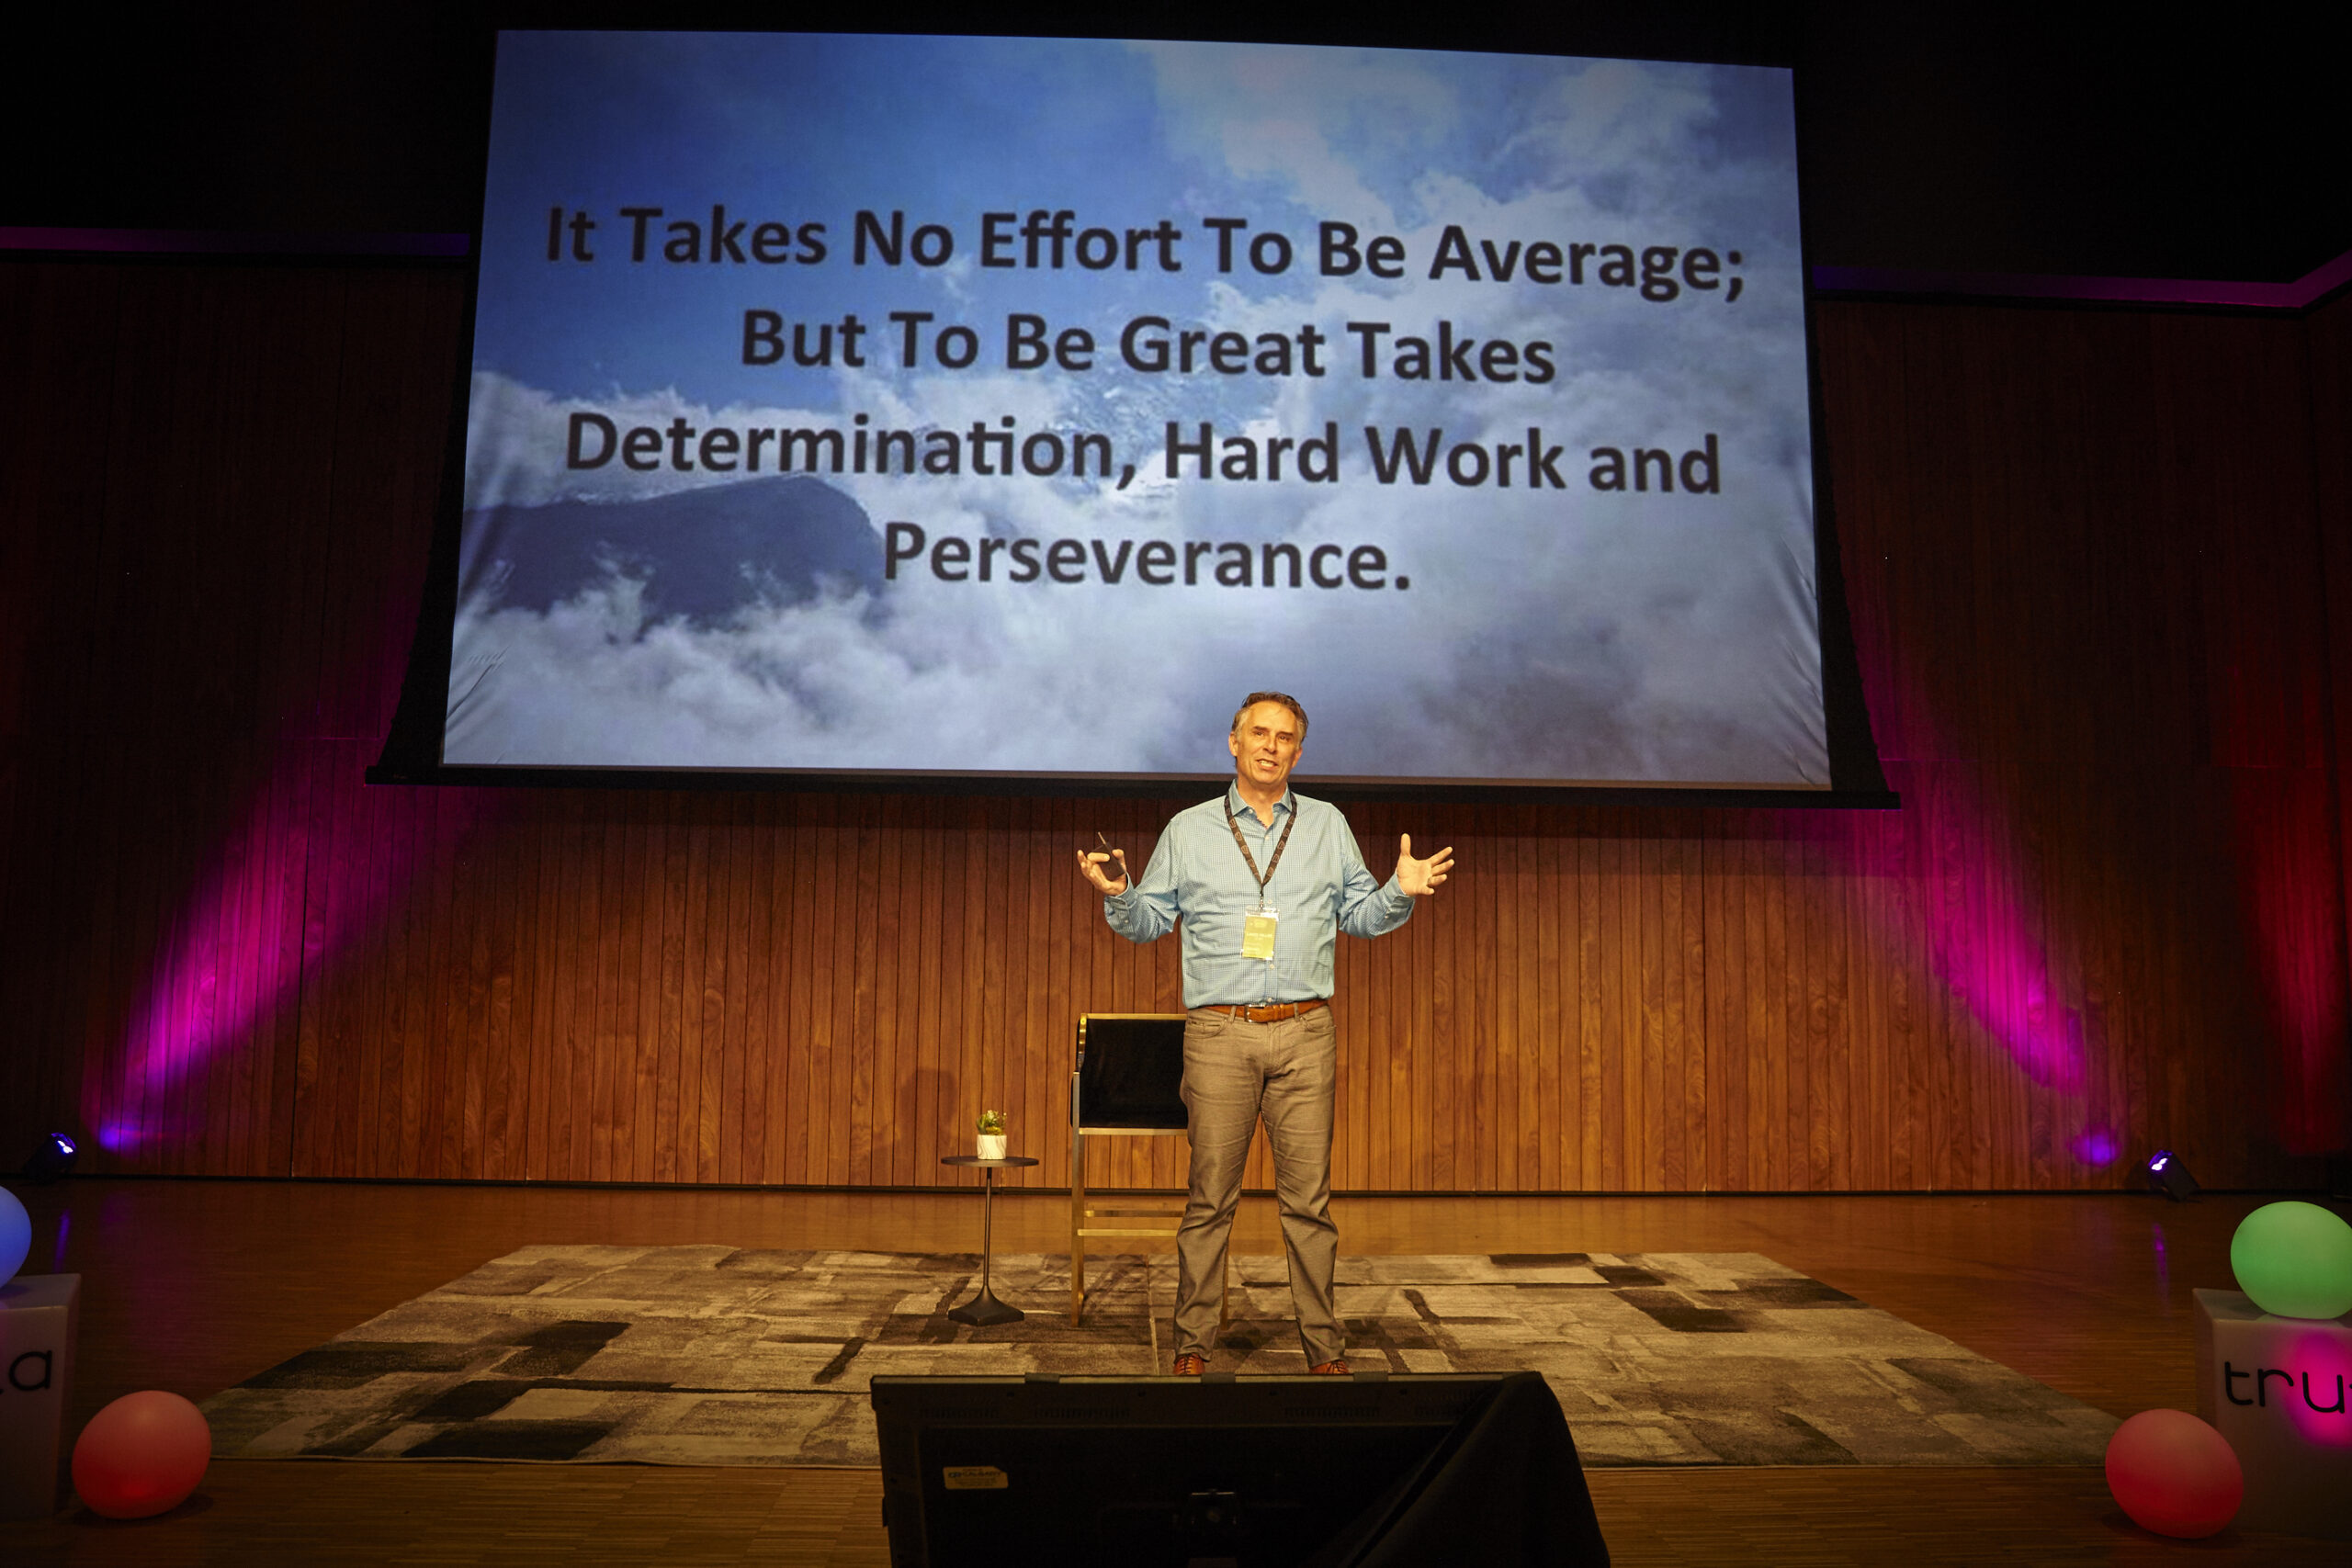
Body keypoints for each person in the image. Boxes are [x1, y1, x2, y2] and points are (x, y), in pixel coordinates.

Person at [1077, 692, 1453, 1375]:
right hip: (1220, 1034)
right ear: (1233, 741)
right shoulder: (1189, 829)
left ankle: (1324, 1351)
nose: (1271, 745)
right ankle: (1193, 1346)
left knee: (1309, 1204)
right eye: (1260, 732)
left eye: (1285, 737)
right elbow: (1148, 922)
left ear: (1298, 753)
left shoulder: (1326, 824)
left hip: (1307, 1032)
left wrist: (1400, 889)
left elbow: (1362, 917)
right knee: (1209, 1198)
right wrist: (1119, 894)